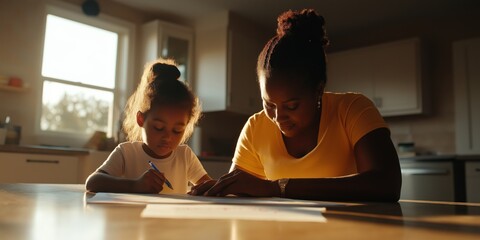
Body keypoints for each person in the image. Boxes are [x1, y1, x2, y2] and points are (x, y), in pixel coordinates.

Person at [189, 9, 401, 201]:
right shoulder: (255, 128)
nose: (279, 117)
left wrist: (279, 187)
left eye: (292, 106)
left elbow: (385, 184)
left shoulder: (352, 109)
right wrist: (220, 189)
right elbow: (241, 190)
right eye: (269, 104)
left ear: (318, 90)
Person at [86, 59, 211, 194]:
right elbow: (93, 182)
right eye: (158, 127)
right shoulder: (127, 153)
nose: (167, 137)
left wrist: (208, 189)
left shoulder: (185, 156)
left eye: (177, 130)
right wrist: (134, 185)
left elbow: (208, 186)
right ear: (141, 119)